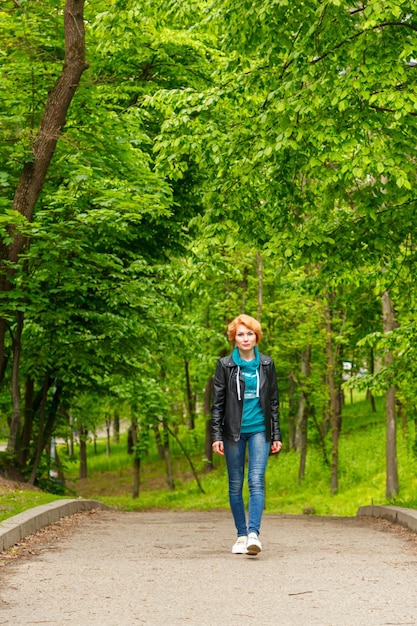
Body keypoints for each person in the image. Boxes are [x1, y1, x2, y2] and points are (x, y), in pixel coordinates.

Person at [211, 314, 282, 556]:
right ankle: (240, 535)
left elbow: (273, 401)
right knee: (235, 484)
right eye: (240, 334)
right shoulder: (225, 366)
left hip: (260, 430)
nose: (245, 338)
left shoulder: (267, 364)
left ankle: (254, 535)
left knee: (256, 480)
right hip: (233, 432)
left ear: (256, 336)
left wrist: (277, 434)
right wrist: (216, 435)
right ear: (234, 338)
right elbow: (218, 404)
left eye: (250, 333)